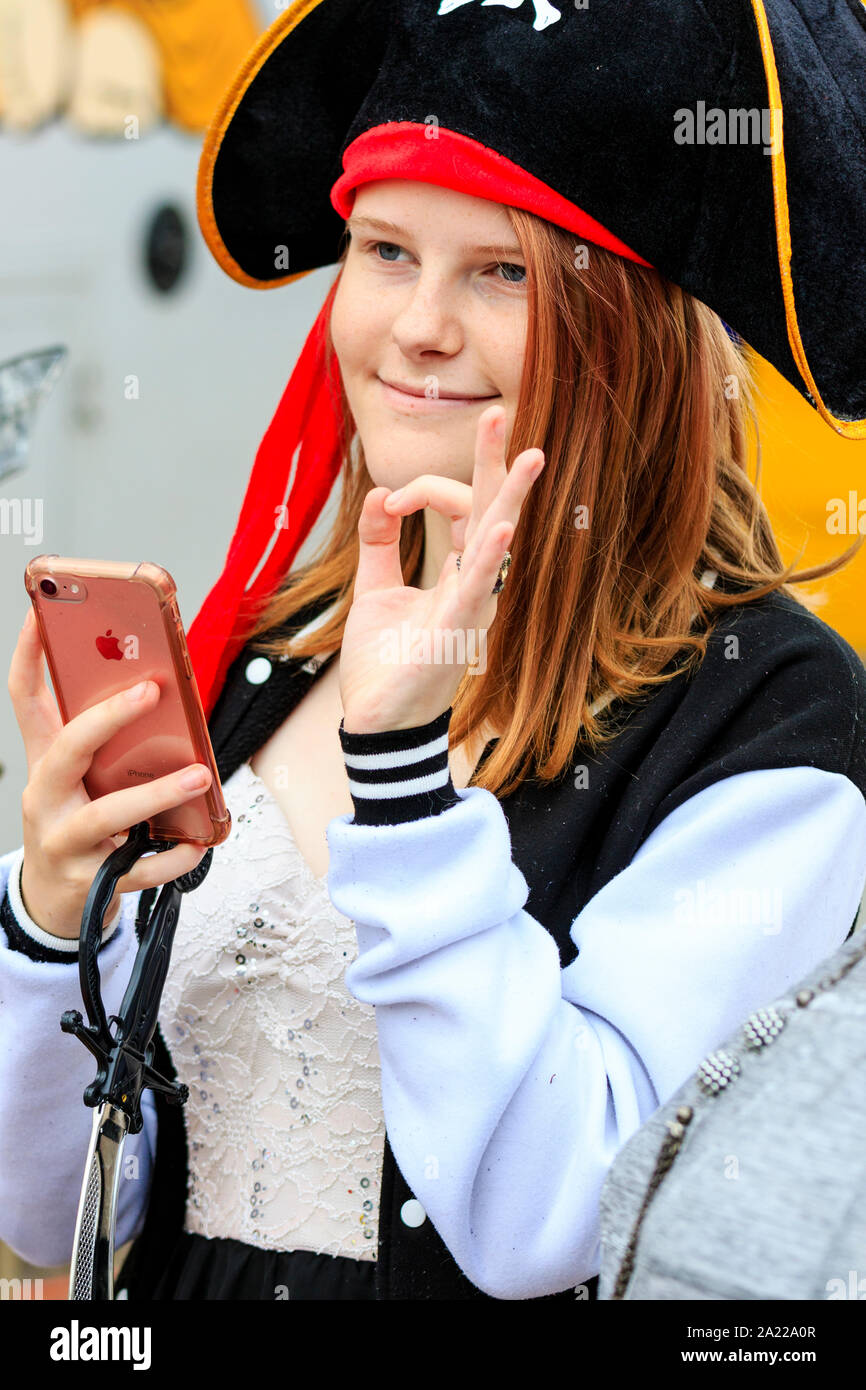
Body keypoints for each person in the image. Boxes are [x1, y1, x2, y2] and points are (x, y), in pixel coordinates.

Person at [1, 1, 865, 1303]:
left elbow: (554, 1215)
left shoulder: (768, 710)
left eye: (502, 270)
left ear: (630, 326)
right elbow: (58, 1202)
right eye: (386, 251)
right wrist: (55, 912)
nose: (417, 325)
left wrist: (402, 777)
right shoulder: (275, 648)